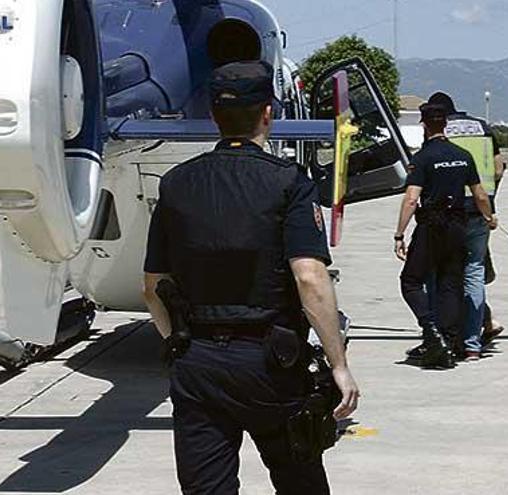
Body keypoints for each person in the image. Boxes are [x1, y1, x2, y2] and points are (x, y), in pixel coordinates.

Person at [142, 61, 360, 495]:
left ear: (214, 115)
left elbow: (152, 287)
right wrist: (339, 365)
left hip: (197, 362)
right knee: (300, 482)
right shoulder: (287, 182)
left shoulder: (176, 184)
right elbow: (310, 278)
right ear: (267, 113)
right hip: (270, 364)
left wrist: (179, 345)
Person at [395, 99, 497, 369]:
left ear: (424, 125)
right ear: (446, 124)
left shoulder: (423, 158)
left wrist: (399, 234)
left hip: (432, 226)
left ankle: (431, 331)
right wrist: (489, 217)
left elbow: (411, 199)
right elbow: (479, 193)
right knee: (451, 283)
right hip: (458, 226)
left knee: (411, 280)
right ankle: (451, 342)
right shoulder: (463, 155)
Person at [427, 91, 505, 360]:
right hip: (480, 210)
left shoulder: (440, 130)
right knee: (474, 272)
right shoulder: (481, 127)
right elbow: (497, 169)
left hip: (450, 213)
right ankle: (473, 343)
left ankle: (444, 334)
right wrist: (488, 203)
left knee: (441, 274)